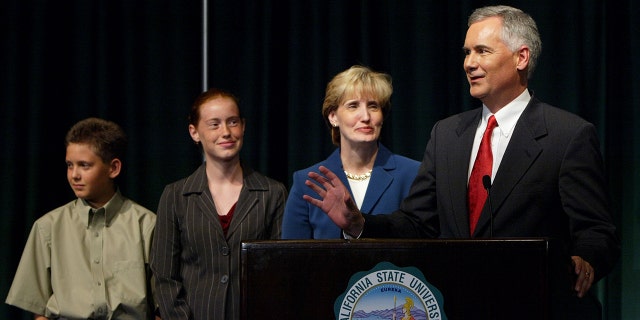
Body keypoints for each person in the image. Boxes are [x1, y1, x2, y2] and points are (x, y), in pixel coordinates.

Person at [303, 5, 619, 318]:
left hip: (539, 306)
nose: (469, 63)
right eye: (467, 52)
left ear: (521, 57)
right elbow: (416, 223)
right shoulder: (447, 135)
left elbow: (597, 231)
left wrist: (586, 259)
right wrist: (359, 223)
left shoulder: (568, 135)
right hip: (460, 306)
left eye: (482, 51)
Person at [150, 88, 287, 319]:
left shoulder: (272, 193)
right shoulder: (175, 196)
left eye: (232, 122)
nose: (226, 132)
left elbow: (281, 273)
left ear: (243, 126)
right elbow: (164, 277)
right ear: (194, 132)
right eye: (214, 124)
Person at [5, 118, 158, 319]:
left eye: (84, 165)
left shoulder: (146, 225)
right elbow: (38, 310)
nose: (74, 175)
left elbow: (161, 307)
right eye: (70, 165)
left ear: (113, 168)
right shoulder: (48, 227)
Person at [282, 65, 420, 239]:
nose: (365, 116)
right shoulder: (307, 182)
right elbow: (291, 259)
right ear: (333, 117)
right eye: (353, 106)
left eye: (373, 106)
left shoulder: (413, 174)